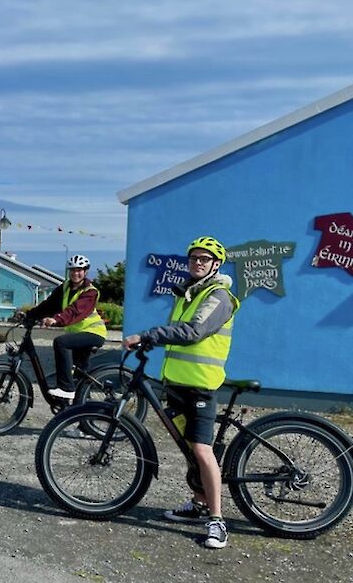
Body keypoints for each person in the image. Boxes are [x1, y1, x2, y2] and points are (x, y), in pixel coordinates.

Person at [124, 236, 240, 550]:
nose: (198, 263)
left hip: (201, 384)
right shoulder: (188, 294)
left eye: (204, 259)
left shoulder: (219, 296)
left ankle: (217, 521)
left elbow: (193, 333)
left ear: (216, 264)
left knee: (202, 451)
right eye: (193, 259)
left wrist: (147, 335)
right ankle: (200, 502)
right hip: (178, 382)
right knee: (189, 447)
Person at [26, 255, 107, 402]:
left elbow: (74, 311)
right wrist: (29, 315)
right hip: (77, 335)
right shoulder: (65, 287)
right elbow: (48, 305)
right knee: (77, 374)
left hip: (93, 333)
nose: (75, 273)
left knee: (61, 342)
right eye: (72, 270)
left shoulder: (90, 292)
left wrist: (56, 320)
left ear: (86, 272)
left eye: (79, 270)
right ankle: (81, 412)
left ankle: (67, 388)